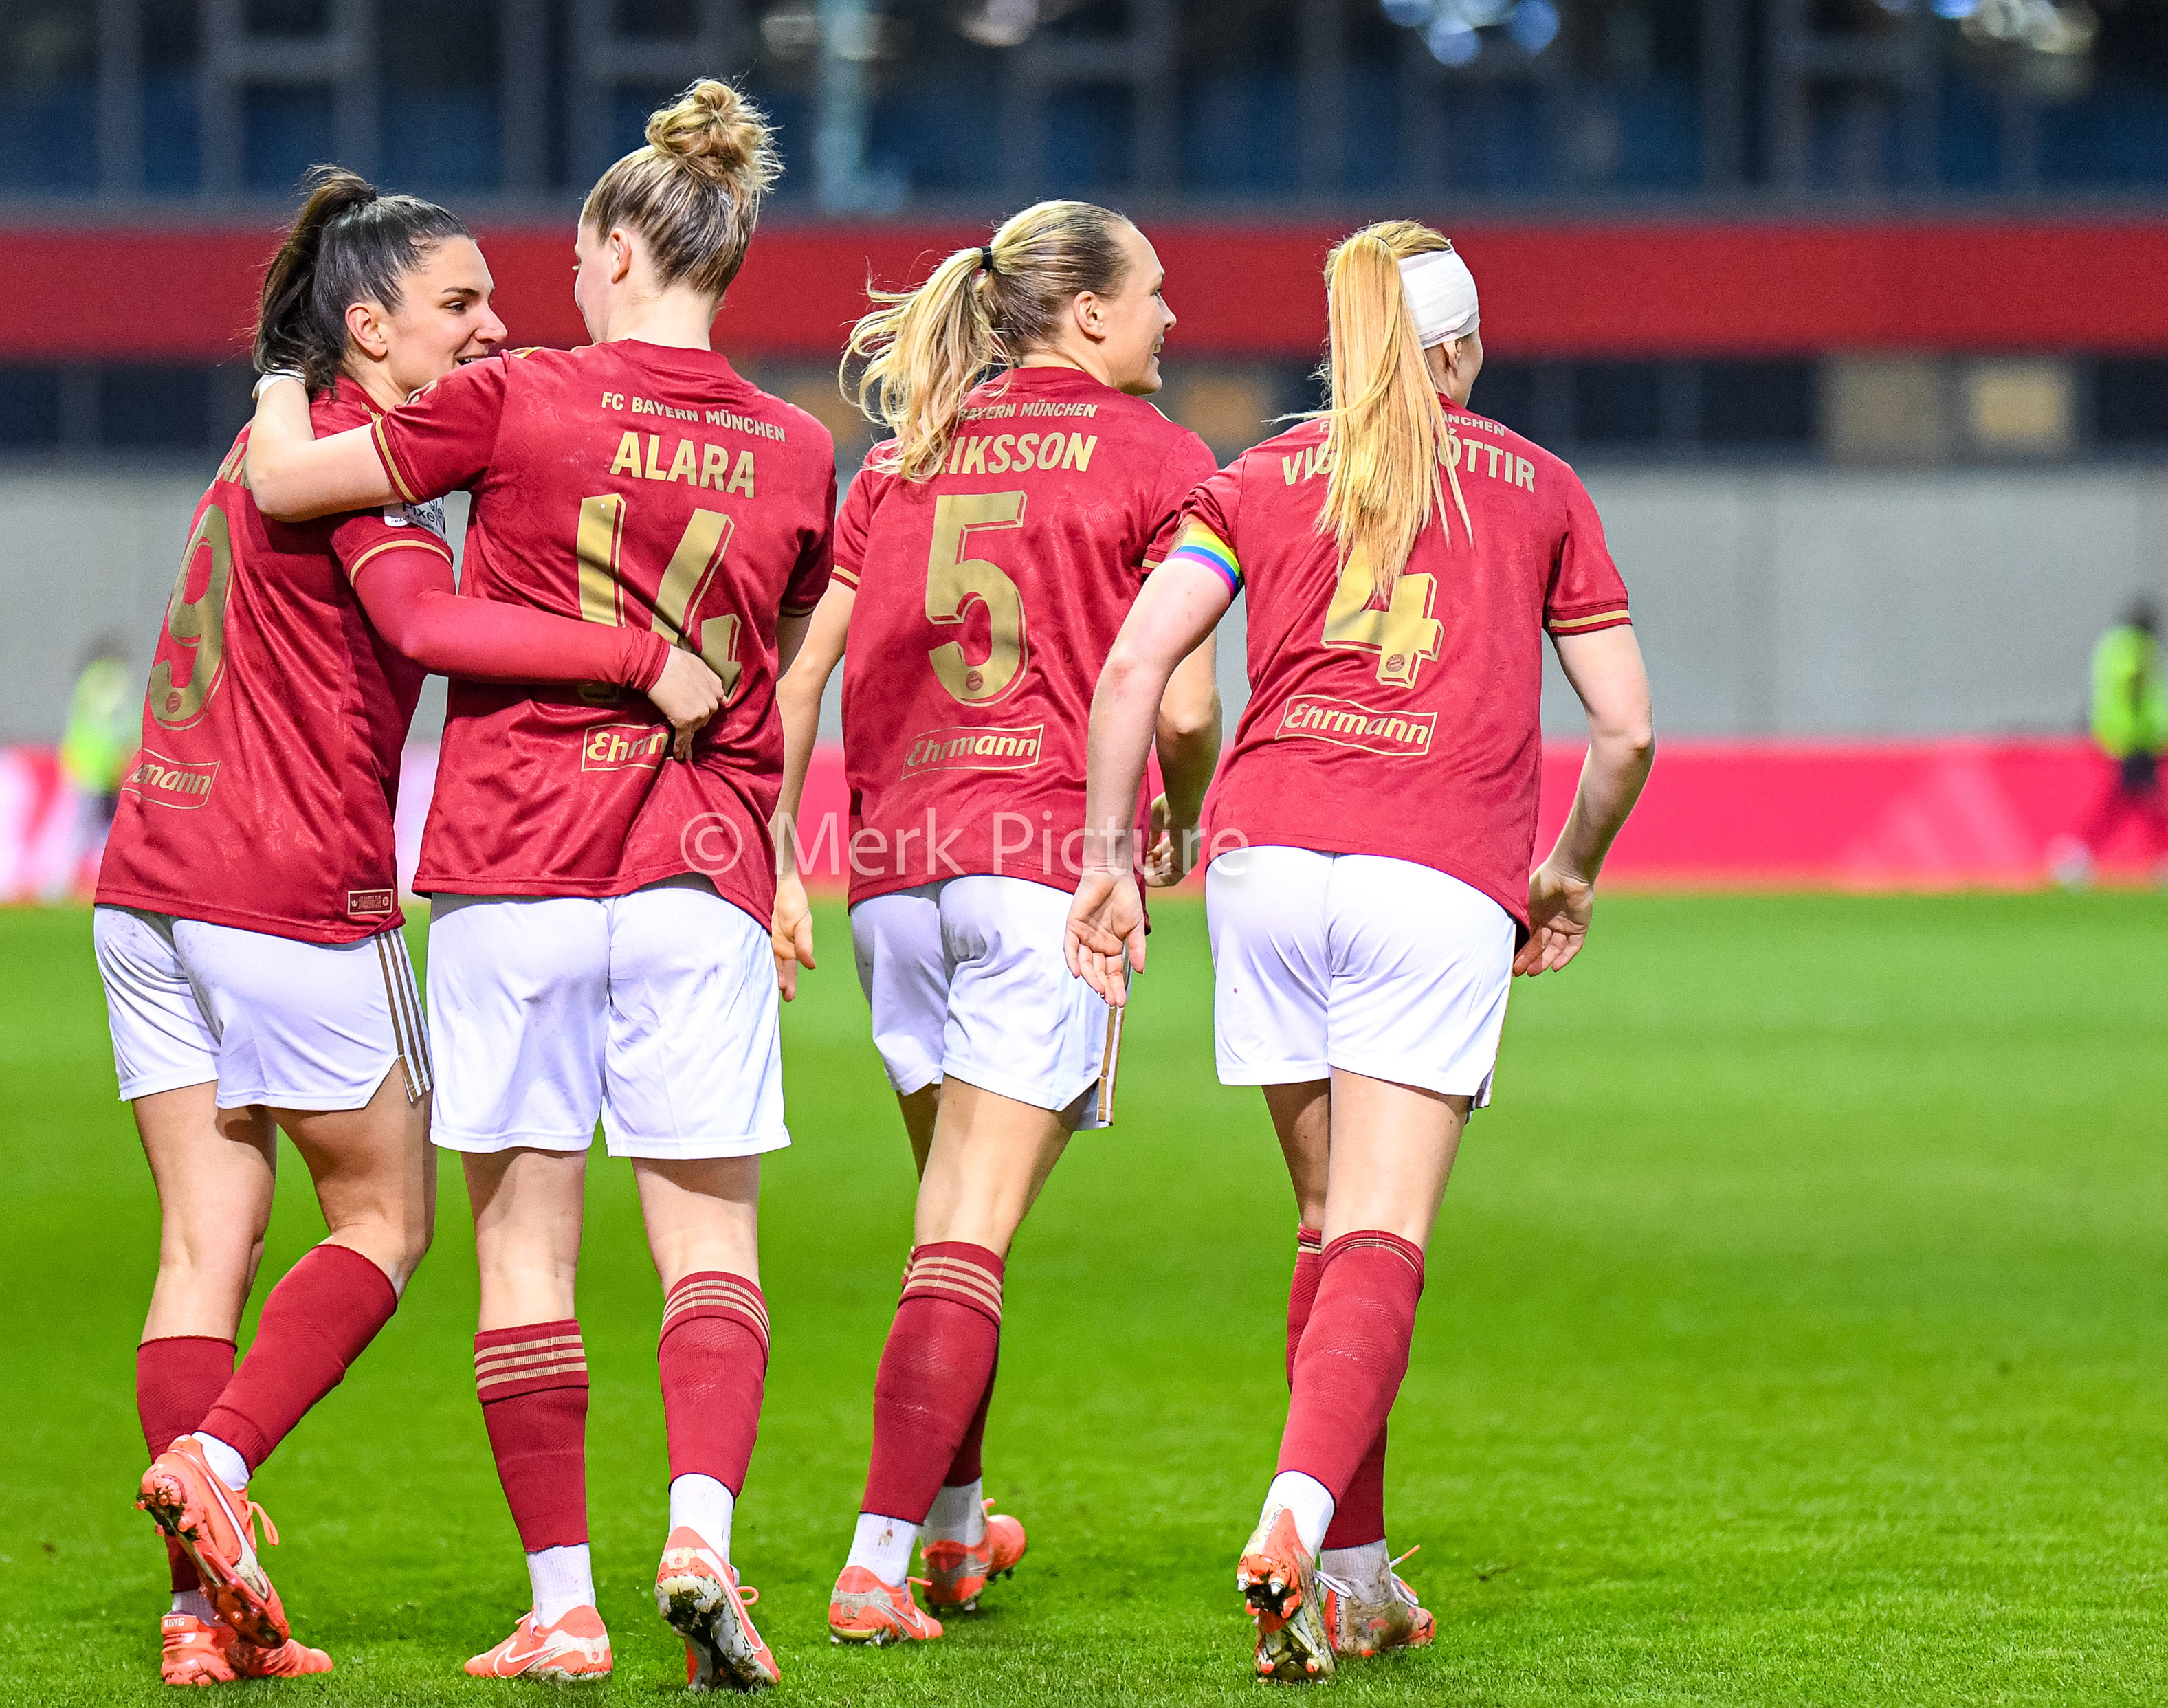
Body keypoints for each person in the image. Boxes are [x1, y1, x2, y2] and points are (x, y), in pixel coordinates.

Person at [241, 82, 833, 1691]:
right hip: (698, 864)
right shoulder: (798, 449)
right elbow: (773, 676)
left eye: (571, 258)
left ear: (617, 248)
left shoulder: (516, 398)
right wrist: (774, 848)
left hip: (516, 865)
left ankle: (564, 1605)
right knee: (711, 1253)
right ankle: (700, 1536)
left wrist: (287, 369)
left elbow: (291, 487)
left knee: (523, 1261)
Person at [100, 168, 724, 1690]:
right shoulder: (355, 473)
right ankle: (219, 1466)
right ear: (369, 327)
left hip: (148, 880)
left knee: (202, 1246)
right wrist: (639, 654)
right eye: (460, 303)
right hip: (288, 887)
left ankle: (196, 1614)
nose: (494, 324)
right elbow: (430, 627)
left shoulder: (273, 439)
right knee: (385, 1223)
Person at [1064, 221, 1655, 1683]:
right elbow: (1627, 730)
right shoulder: (1540, 486)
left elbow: (1136, 666)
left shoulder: (1261, 474)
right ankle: (1296, 1513)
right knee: (1384, 1234)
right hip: (1433, 871)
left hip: (1267, 867)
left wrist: (1107, 862)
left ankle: (1359, 1582)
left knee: (1328, 1230)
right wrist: (1569, 873)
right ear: (1461, 346)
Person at [768, 199, 1223, 1645]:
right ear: (1087, 313)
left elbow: (799, 678)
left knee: (950, 1223)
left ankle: (958, 1533)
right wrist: (1175, 820)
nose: (1170, 315)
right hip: (1039, 869)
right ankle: (875, 1562)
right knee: (967, 1231)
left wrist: (773, 856)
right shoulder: (1161, 457)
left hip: (893, 878)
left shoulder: (905, 458)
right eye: (1153, 291)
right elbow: (1186, 704)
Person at [2052, 598, 2168, 889]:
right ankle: (2165, 863)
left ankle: (2079, 853)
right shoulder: (2135, 648)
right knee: (2143, 801)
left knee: (2128, 801)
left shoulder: (2114, 646)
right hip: (2133, 739)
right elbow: (2134, 685)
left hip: (2130, 737)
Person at [59, 636, 138, 854]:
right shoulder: (111, 680)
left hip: (88, 765)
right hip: (99, 767)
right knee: (88, 826)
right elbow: (122, 720)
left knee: (84, 827)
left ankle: (71, 869)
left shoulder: (89, 680)